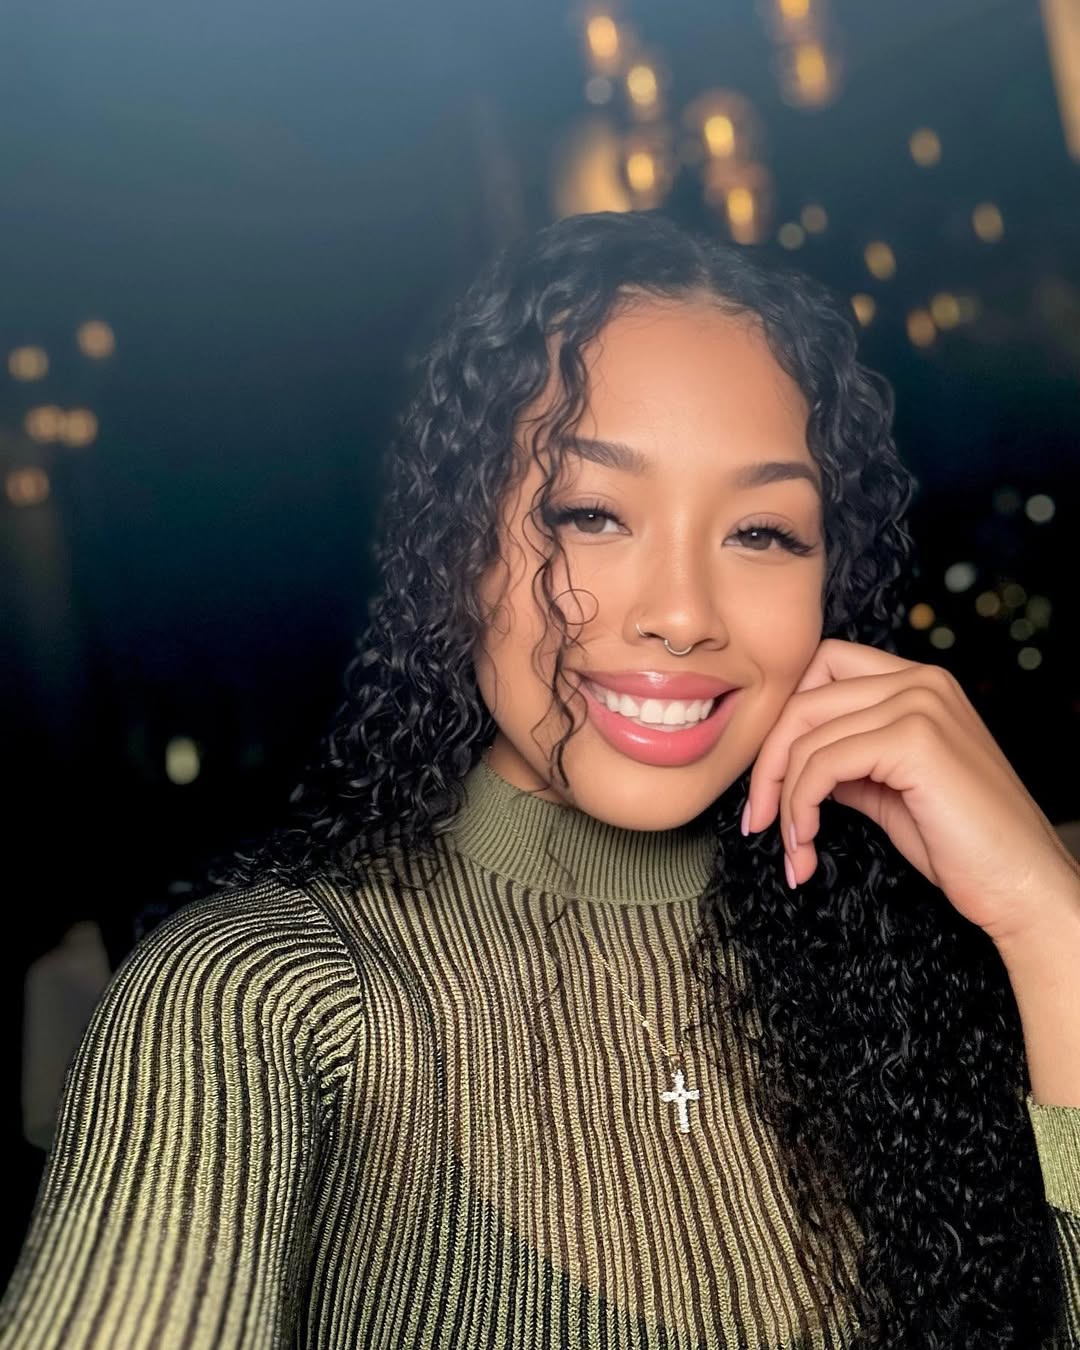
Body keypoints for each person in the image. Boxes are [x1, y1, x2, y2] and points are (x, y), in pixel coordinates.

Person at [1, 210, 1077, 1349]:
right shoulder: (259, 998)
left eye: (762, 533)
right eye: (591, 514)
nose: (682, 614)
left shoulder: (917, 968)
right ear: (455, 545)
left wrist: (1050, 923)